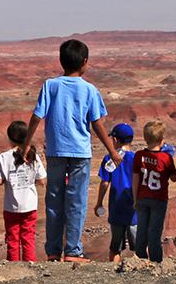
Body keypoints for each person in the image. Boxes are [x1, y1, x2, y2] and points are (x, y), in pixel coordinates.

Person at [18, 39, 119, 262]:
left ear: (61, 61)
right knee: (77, 201)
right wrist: (112, 151)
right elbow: (97, 123)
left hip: (55, 151)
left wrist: (26, 143)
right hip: (80, 153)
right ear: (85, 62)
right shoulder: (90, 90)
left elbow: (36, 116)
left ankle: (53, 251)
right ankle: (73, 250)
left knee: (54, 200)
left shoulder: (50, 85)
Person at [0, 121, 46, 261]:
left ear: (10, 137)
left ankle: (13, 266)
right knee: (28, 238)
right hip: (30, 205)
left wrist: (8, 178)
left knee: (12, 239)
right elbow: (42, 181)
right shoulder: (33, 155)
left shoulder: (4, 157)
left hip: (11, 206)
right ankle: (30, 264)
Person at [132, 120, 176, 262]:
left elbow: (135, 180)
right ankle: (156, 261)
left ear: (145, 138)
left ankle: (140, 258)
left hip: (143, 197)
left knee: (142, 231)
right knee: (155, 232)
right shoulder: (166, 158)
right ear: (162, 139)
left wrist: (135, 199)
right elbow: (174, 178)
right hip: (159, 199)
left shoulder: (139, 156)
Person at [95, 123, 137, 263]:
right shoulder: (137, 159)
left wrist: (99, 203)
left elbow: (105, 182)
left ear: (115, 140)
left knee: (115, 247)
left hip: (117, 209)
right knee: (140, 246)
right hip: (135, 209)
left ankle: (113, 273)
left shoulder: (109, 159)